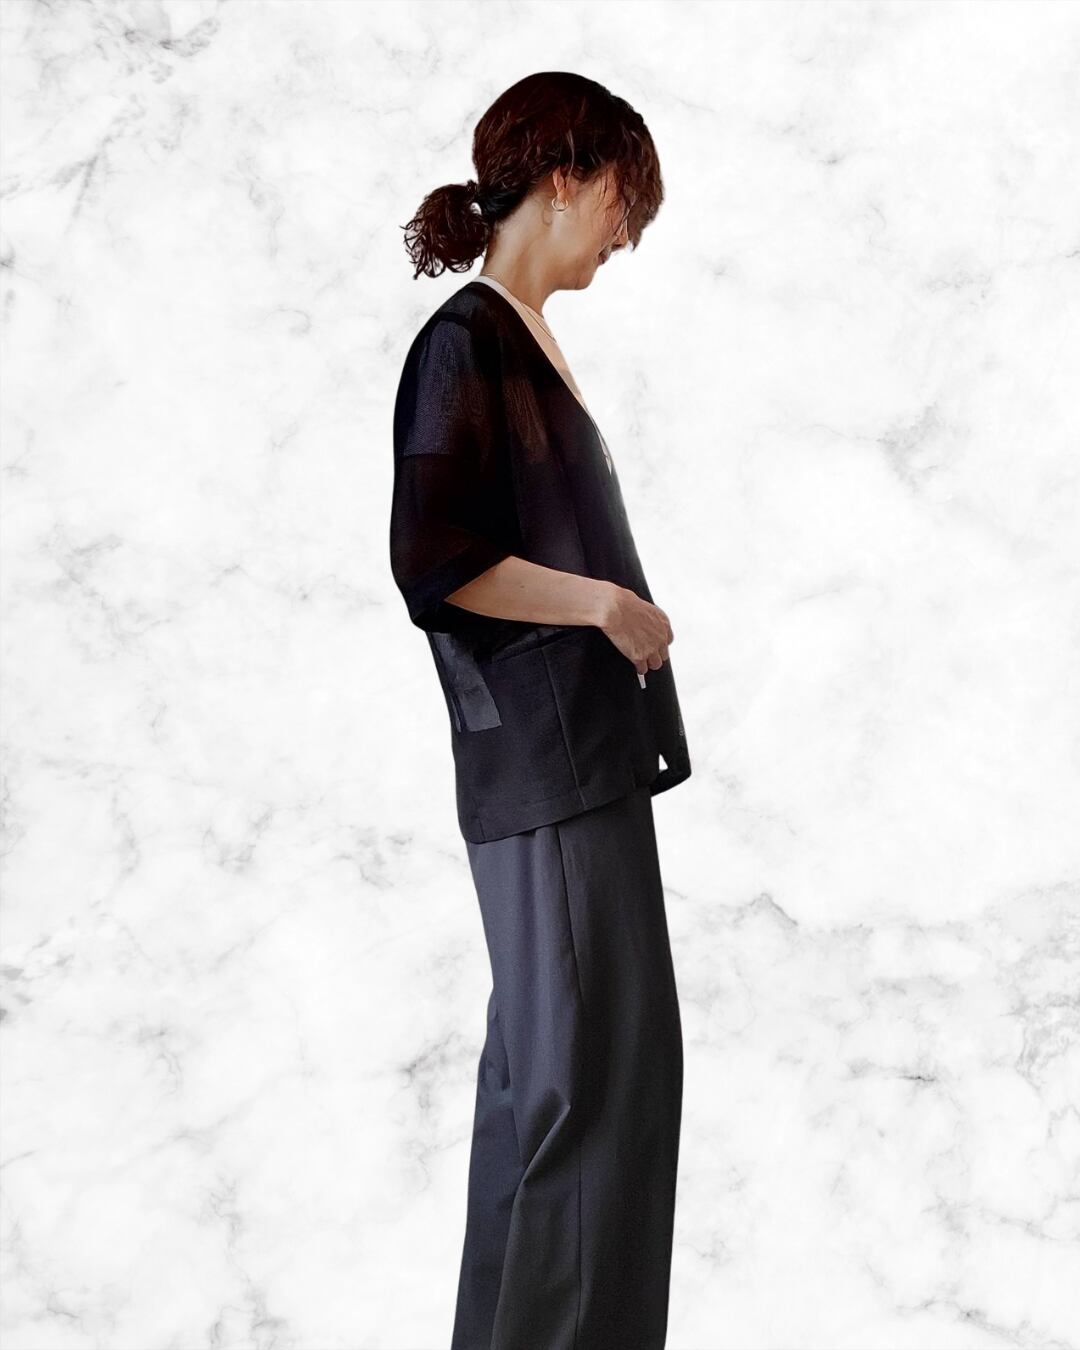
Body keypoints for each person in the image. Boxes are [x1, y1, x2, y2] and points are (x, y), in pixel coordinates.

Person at [391, 71, 691, 1350]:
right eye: (625, 200)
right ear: (566, 176)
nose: (626, 235)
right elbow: (434, 560)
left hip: (565, 774)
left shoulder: (510, 334)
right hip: (553, 778)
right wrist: (604, 605)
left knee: (542, 1098)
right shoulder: (469, 341)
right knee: (600, 1093)